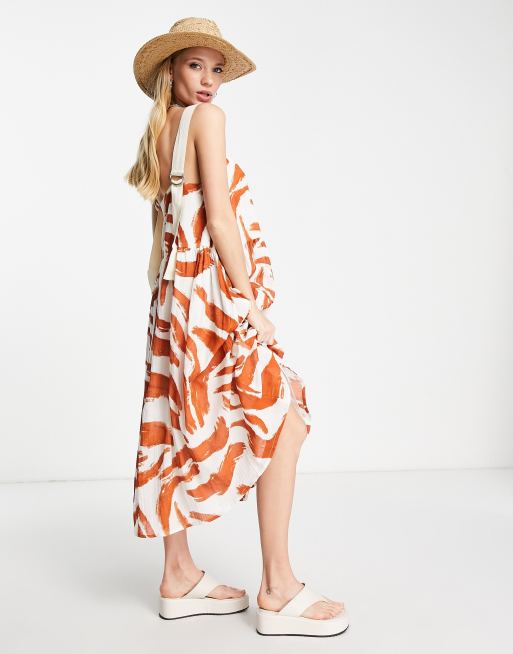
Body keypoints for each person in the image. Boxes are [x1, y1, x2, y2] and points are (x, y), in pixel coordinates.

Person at [125, 17, 348, 637]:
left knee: (170, 425)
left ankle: (178, 575)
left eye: (216, 69)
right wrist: (249, 302)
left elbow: (165, 230)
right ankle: (278, 588)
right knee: (285, 417)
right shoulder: (207, 120)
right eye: (194, 65)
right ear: (170, 70)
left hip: (172, 298)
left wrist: (175, 303)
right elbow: (220, 219)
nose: (208, 80)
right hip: (212, 295)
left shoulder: (160, 131)